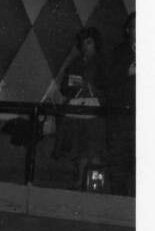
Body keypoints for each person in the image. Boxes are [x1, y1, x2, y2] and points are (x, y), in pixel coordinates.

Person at [52, 27, 107, 190]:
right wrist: (76, 84)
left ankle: (96, 186)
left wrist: (89, 86)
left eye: (89, 42)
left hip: (95, 112)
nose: (85, 46)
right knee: (80, 150)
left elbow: (108, 85)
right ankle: (80, 181)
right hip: (78, 111)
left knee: (94, 151)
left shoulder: (103, 62)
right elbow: (65, 86)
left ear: (95, 43)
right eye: (83, 42)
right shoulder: (75, 62)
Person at [103, 12, 135, 196]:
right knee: (119, 164)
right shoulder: (117, 53)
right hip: (122, 118)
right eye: (136, 26)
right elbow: (106, 83)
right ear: (128, 30)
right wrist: (126, 73)